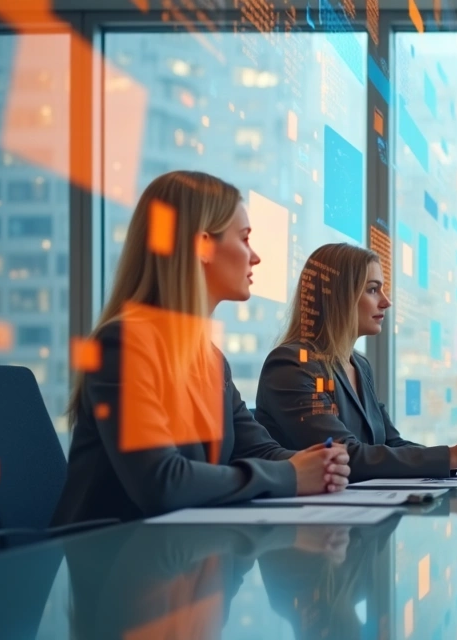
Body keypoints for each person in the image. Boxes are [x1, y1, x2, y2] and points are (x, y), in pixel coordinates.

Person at [52, 171, 350, 527]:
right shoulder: (125, 345)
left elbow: (258, 449)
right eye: (244, 239)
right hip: (112, 565)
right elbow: (163, 482)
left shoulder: (209, 359)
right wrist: (291, 476)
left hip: (180, 560)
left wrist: (320, 463)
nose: (254, 257)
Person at [255, 243, 457, 481]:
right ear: (339, 296)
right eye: (373, 289)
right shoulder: (291, 365)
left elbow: (391, 444)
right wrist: (451, 456)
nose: (386, 301)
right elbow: (343, 455)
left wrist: (455, 454)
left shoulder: (359, 366)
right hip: (310, 518)